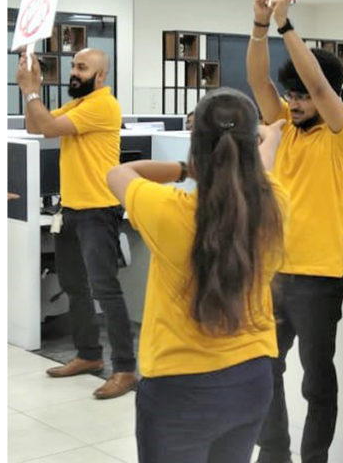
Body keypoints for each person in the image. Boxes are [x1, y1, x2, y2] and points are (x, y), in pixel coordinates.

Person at [105, 87, 287, 463]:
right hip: (252, 379)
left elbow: (119, 172)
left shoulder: (165, 210)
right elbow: (264, 164)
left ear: (195, 145)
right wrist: (268, 139)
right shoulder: (274, 204)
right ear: (250, 146)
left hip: (179, 388)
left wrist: (186, 169)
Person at [248, 0, 343, 463]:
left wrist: (284, 22)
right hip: (272, 273)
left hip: (318, 280)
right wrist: (257, 25)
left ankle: (315, 458)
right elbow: (258, 85)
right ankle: (276, 455)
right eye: (290, 95)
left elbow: (319, 84)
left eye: (303, 97)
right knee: (263, 371)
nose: (294, 103)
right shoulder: (285, 127)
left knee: (317, 382)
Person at [16, 45, 137, 399]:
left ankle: (126, 369)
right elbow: (35, 126)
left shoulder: (102, 104)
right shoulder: (81, 103)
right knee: (73, 284)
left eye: (82, 67)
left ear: (100, 76)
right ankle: (88, 356)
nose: (74, 72)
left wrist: (30, 89)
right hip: (72, 209)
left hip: (99, 210)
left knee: (106, 291)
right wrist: (32, 90)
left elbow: (49, 127)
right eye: (73, 65)